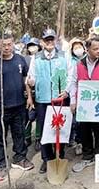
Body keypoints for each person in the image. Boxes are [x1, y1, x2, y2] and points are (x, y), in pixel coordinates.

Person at [0, 33, 35, 182]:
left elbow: (25, 79)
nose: (7, 47)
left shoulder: (19, 59)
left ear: (13, 44)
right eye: (3, 45)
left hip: (18, 105)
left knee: (20, 133)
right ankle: (1, 164)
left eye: (9, 44)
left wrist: (29, 97)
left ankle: (20, 157)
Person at [27, 29, 69, 174]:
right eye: (47, 40)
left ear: (56, 40)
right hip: (43, 99)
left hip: (60, 99)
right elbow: (30, 76)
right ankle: (47, 159)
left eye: (52, 39)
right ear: (42, 42)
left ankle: (60, 155)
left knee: (60, 128)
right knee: (45, 130)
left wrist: (67, 91)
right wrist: (31, 82)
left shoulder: (63, 56)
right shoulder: (36, 57)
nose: (50, 42)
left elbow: (70, 75)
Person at [68, 37, 99, 173]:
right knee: (84, 130)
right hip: (84, 104)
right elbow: (73, 82)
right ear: (87, 49)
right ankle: (87, 156)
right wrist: (73, 101)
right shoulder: (79, 64)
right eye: (95, 49)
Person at [23, 37, 42, 148]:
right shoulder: (23, 59)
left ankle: (38, 138)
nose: (32, 48)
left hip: (40, 92)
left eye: (34, 45)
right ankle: (27, 137)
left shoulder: (42, 58)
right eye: (30, 45)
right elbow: (24, 76)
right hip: (27, 91)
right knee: (27, 116)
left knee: (39, 115)